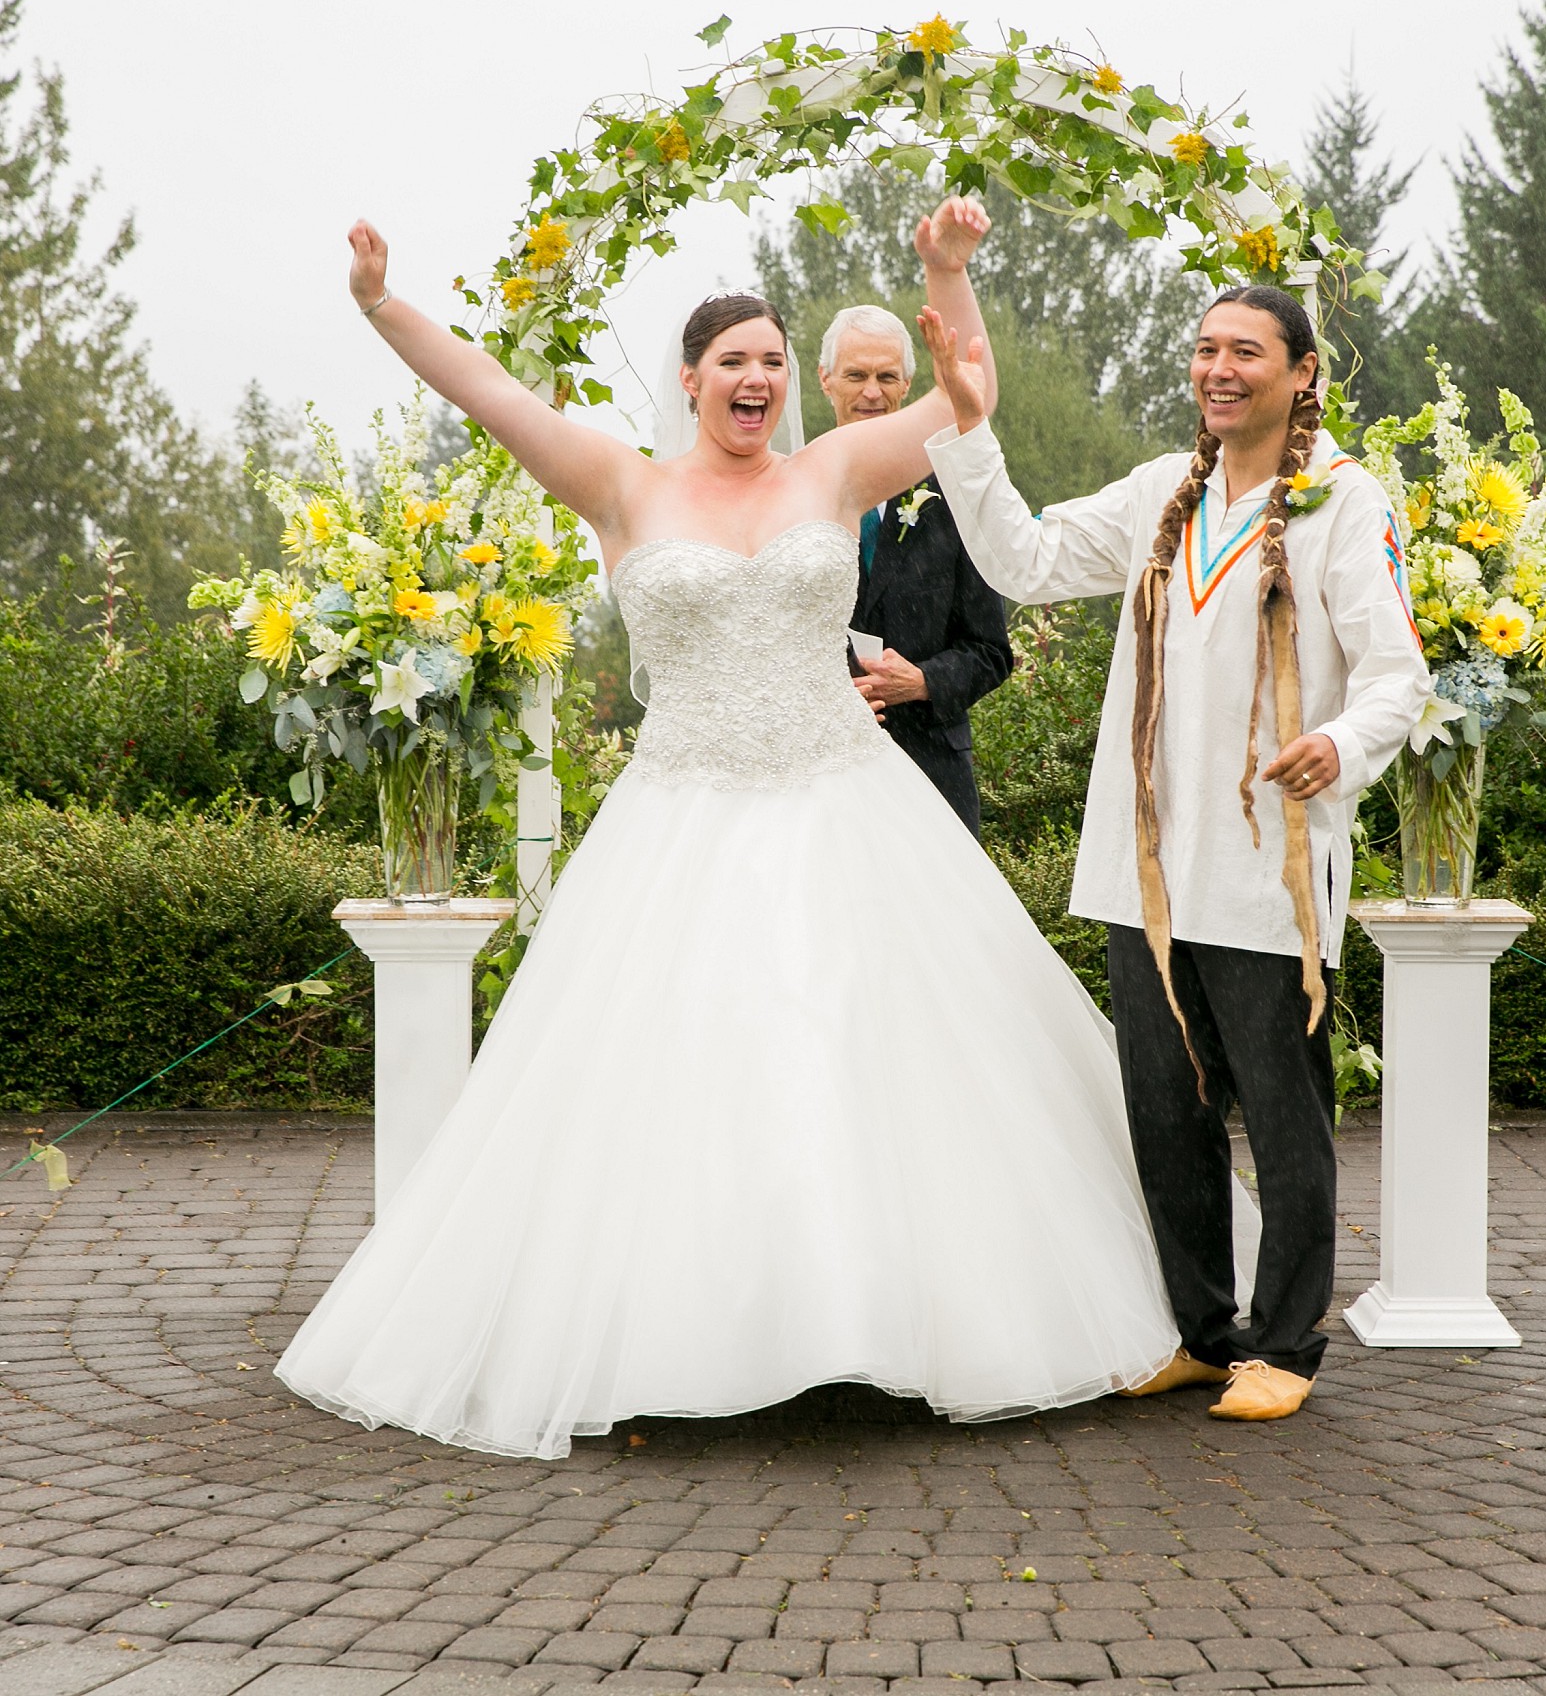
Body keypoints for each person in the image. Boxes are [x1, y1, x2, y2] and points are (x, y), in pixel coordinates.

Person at [274, 198, 1183, 1459]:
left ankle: (887, 1323)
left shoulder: (837, 469)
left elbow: (969, 396)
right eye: (733, 361)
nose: (755, 378)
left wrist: (948, 273)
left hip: (845, 800)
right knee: (681, 1069)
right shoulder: (620, 486)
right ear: (692, 380)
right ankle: (693, 1335)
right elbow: (488, 392)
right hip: (683, 813)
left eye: (770, 359)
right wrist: (383, 307)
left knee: (875, 1053)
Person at [920, 286, 1431, 1422]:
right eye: (1204, 348)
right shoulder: (1163, 491)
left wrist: (1338, 743)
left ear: (1303, 374)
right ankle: (1202, 1331)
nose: (1218, 368)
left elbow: (1399, 673)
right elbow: (1027, 558)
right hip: (1142, 865)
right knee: (1165, 1107)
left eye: (1245, 350)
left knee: (1282, 1110)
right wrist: (964, 424)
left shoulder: (1345, 503)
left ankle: (1285, 1347)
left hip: (1265, 869)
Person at [817, 304, 1013, 835]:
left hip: (932, 777)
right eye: (856, 376)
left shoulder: (953, 495)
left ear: (907, 384)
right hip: (819, 775)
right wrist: (827, 695)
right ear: (825, 380)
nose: (872, 393)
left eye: (886, 377)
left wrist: (924, 681)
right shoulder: (791, 493)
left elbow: (992, 651)